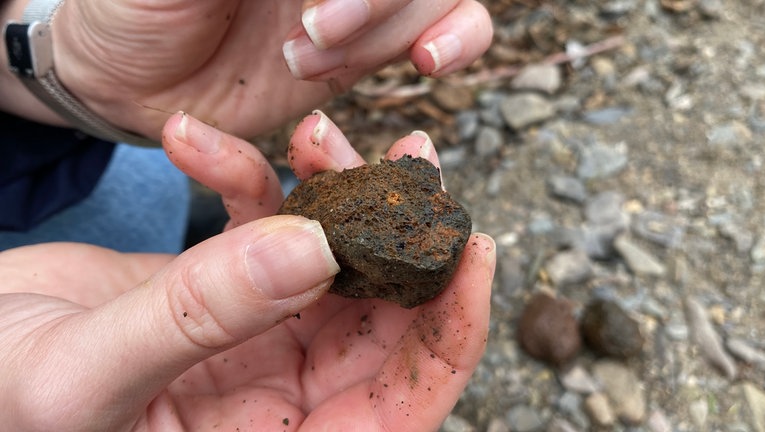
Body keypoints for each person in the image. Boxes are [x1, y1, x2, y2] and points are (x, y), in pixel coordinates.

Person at [0, 0, 496, 430]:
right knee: (150, 196)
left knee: (151, 185)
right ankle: (220, 252)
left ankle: (207, 243)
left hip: (35, 153)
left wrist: (71, 63)